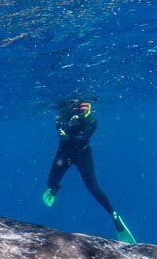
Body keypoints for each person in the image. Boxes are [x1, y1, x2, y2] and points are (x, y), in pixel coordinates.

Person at [42, 99, 136, 243]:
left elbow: (83, 137)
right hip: (64, 153)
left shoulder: (92, 122)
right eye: (77, 109)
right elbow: (58, 126)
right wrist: (63, 129)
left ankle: (114, 215)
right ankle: (54, 190)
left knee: (93, 187)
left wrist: (69, 131)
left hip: (82, 155)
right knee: (51, 182)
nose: (80, 111)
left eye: (84, 108)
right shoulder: (64, 116)